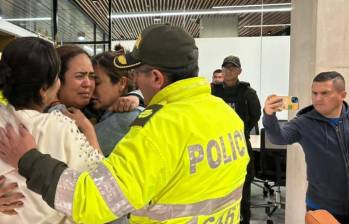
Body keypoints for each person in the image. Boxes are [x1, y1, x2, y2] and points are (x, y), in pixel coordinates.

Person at [0, 24, 249, 224]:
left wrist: (28, 158)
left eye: (134, 75)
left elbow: (94, 200)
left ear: (156, 77)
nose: (131, 83)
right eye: (80, 76)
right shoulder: (225, 115)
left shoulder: (156, 129)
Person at [0, 37, 103, 223]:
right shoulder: (61, 127)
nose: (88, 83)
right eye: (57, 77)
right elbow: (99, 186)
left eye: (92, 76)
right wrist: (88, 130)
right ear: (44, 89)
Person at [263, 72, 348, 223]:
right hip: (322, 207)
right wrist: (269, 115)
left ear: (342, 95)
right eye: (314, 93)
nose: (317, 98)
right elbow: (278, 138)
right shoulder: (303, 123)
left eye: (324, 93)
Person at [211, 55, 261, 224]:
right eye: (226, 67)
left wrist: (243, 129)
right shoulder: (212, 91)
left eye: (233, 68)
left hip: (240, 143)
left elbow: (256, 114)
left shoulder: (248, 93)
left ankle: (243, 219)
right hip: (215, 144)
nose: (229, 70)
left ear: (239, 71)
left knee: (243, 189)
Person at [91, 51, 144, 156]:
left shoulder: (126, 118)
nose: (90, 88)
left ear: (122, 83)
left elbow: (79, 152)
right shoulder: (97, 111)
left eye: (96, 83)